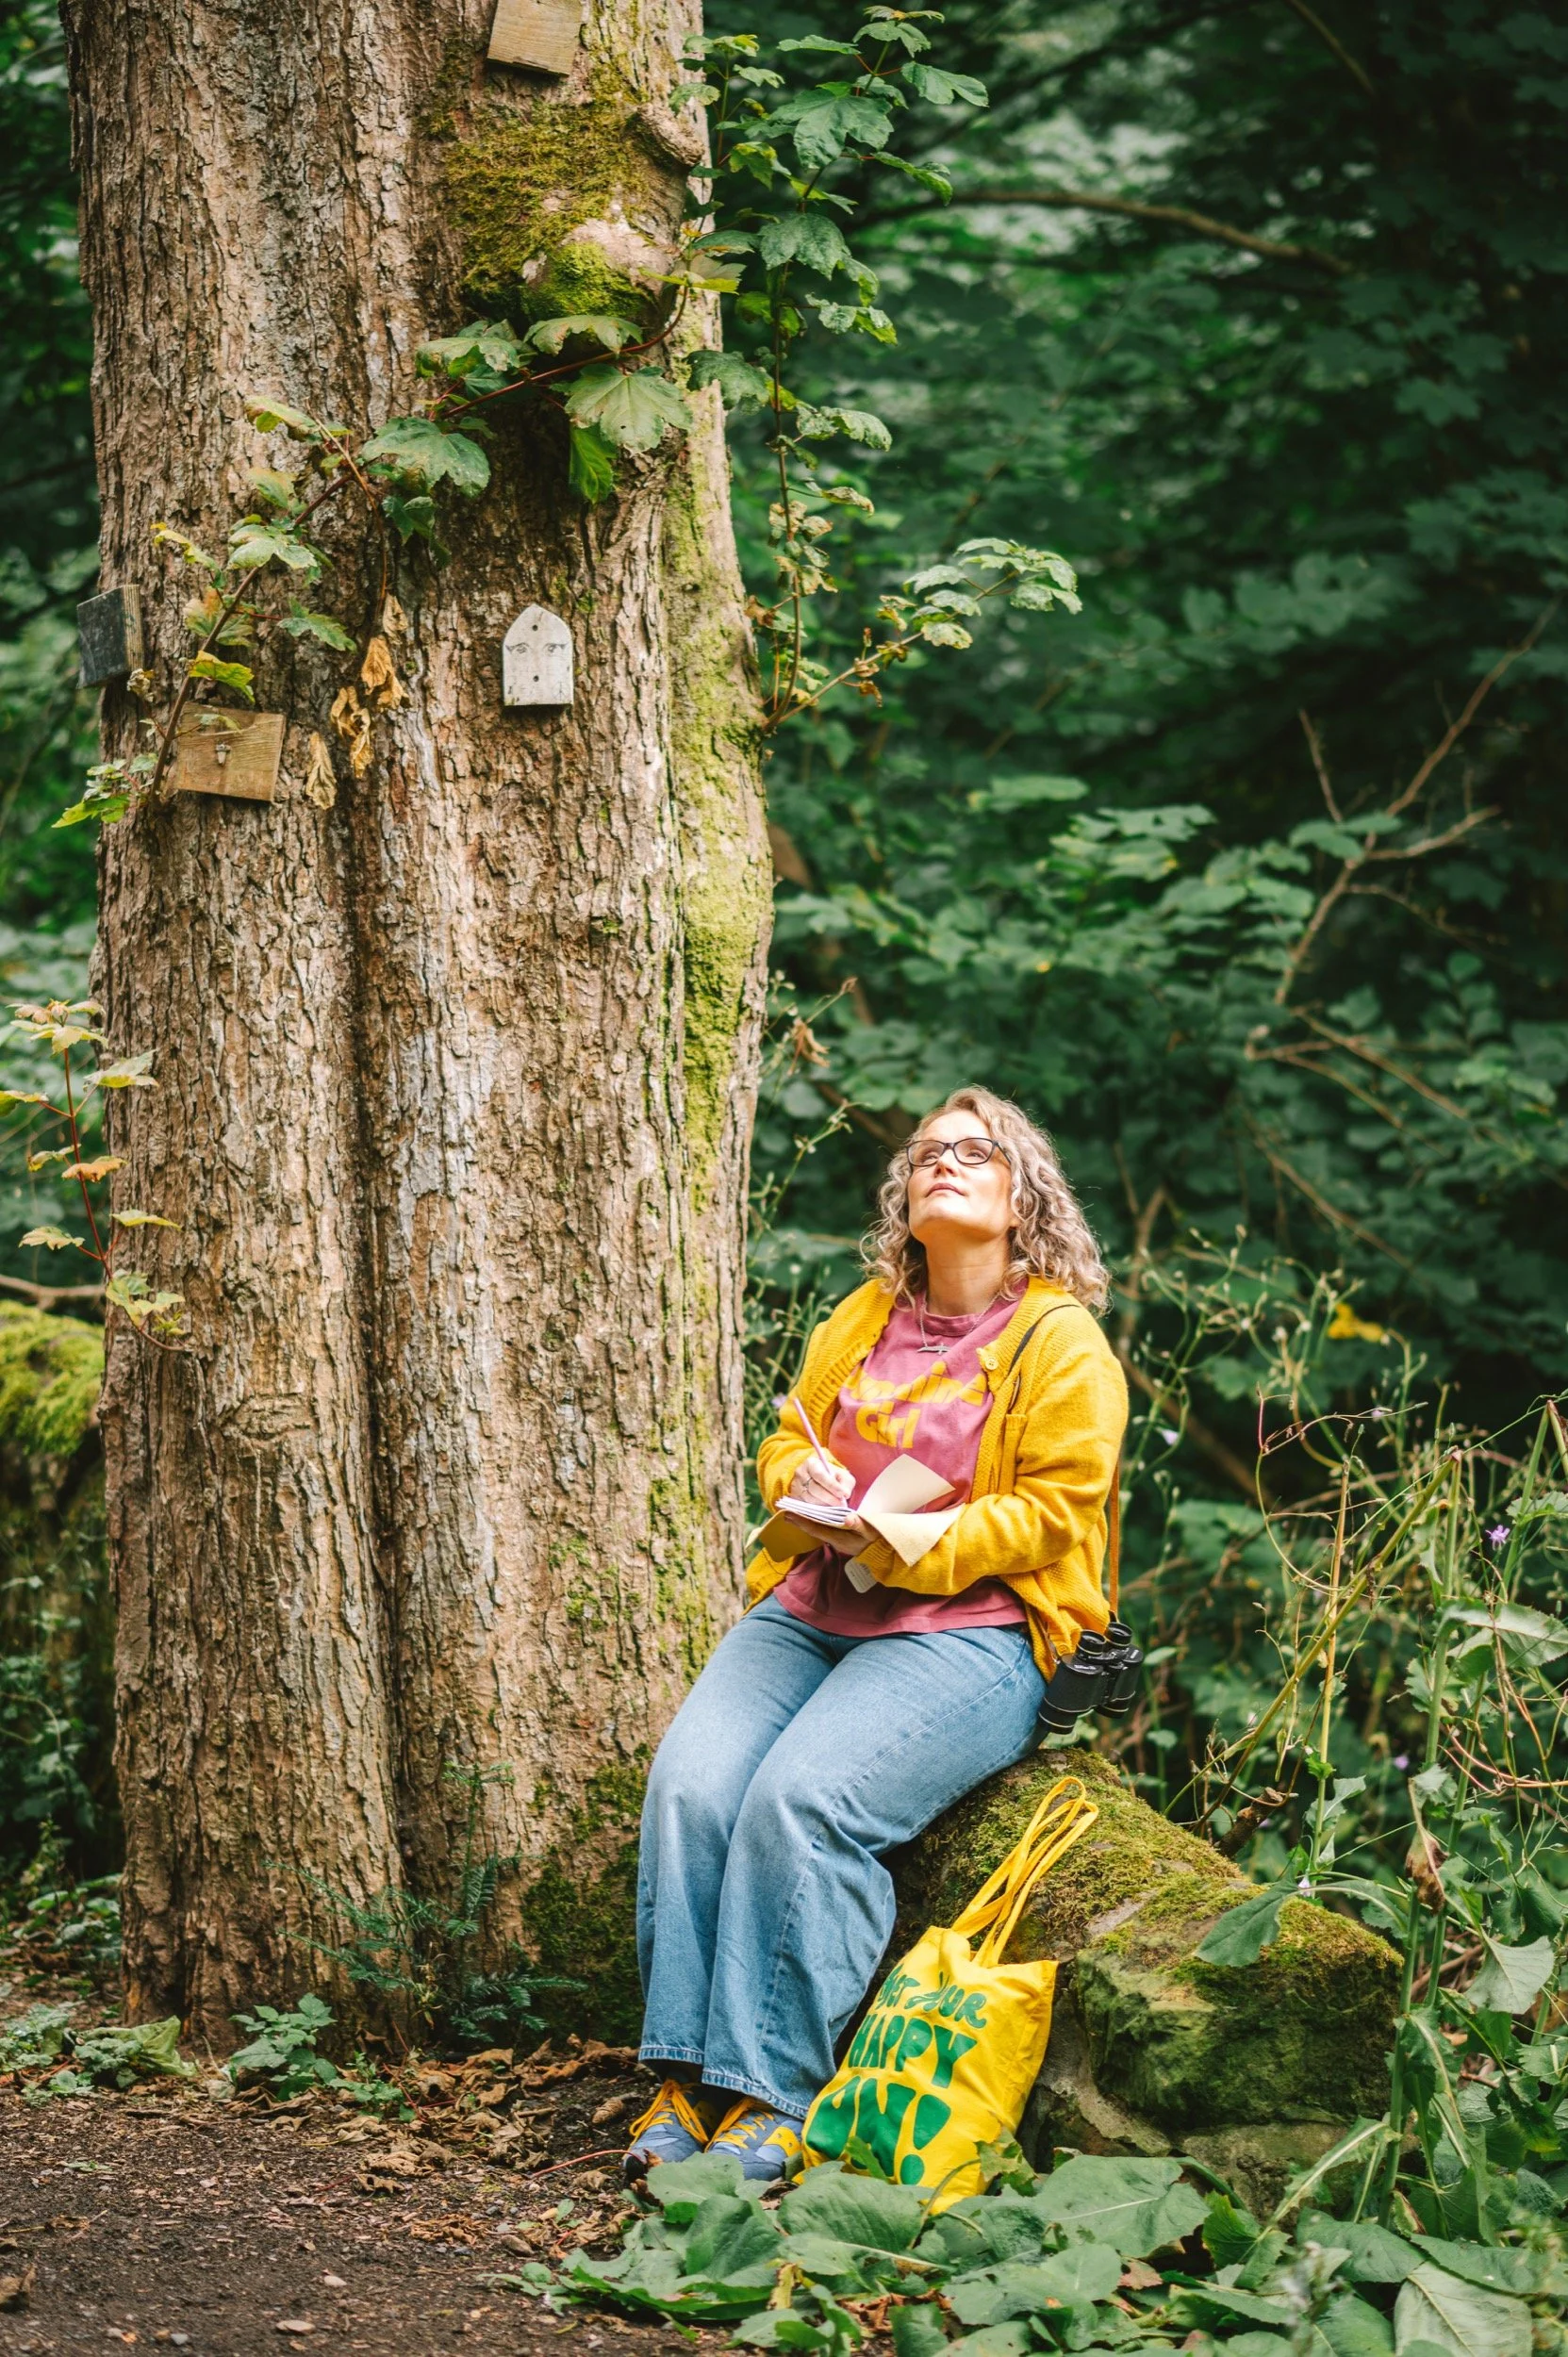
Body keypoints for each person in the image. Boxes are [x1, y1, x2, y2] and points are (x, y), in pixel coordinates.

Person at [624, 1085, 1127, 2182]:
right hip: (814, 1604)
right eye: (924, 1151)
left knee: (799, 1803)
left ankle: (769, 2092)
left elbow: (1056, 1512)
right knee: (691, 1785)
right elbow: (784, 1441)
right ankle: (684, 2077)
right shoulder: (861, 1317)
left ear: (1022, 1194)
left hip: (974, 1633)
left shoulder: (1063, 1344)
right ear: (903, 1196)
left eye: (972, 1150)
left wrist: (909, 1539)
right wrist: (795, 1480)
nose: (940, 1162)